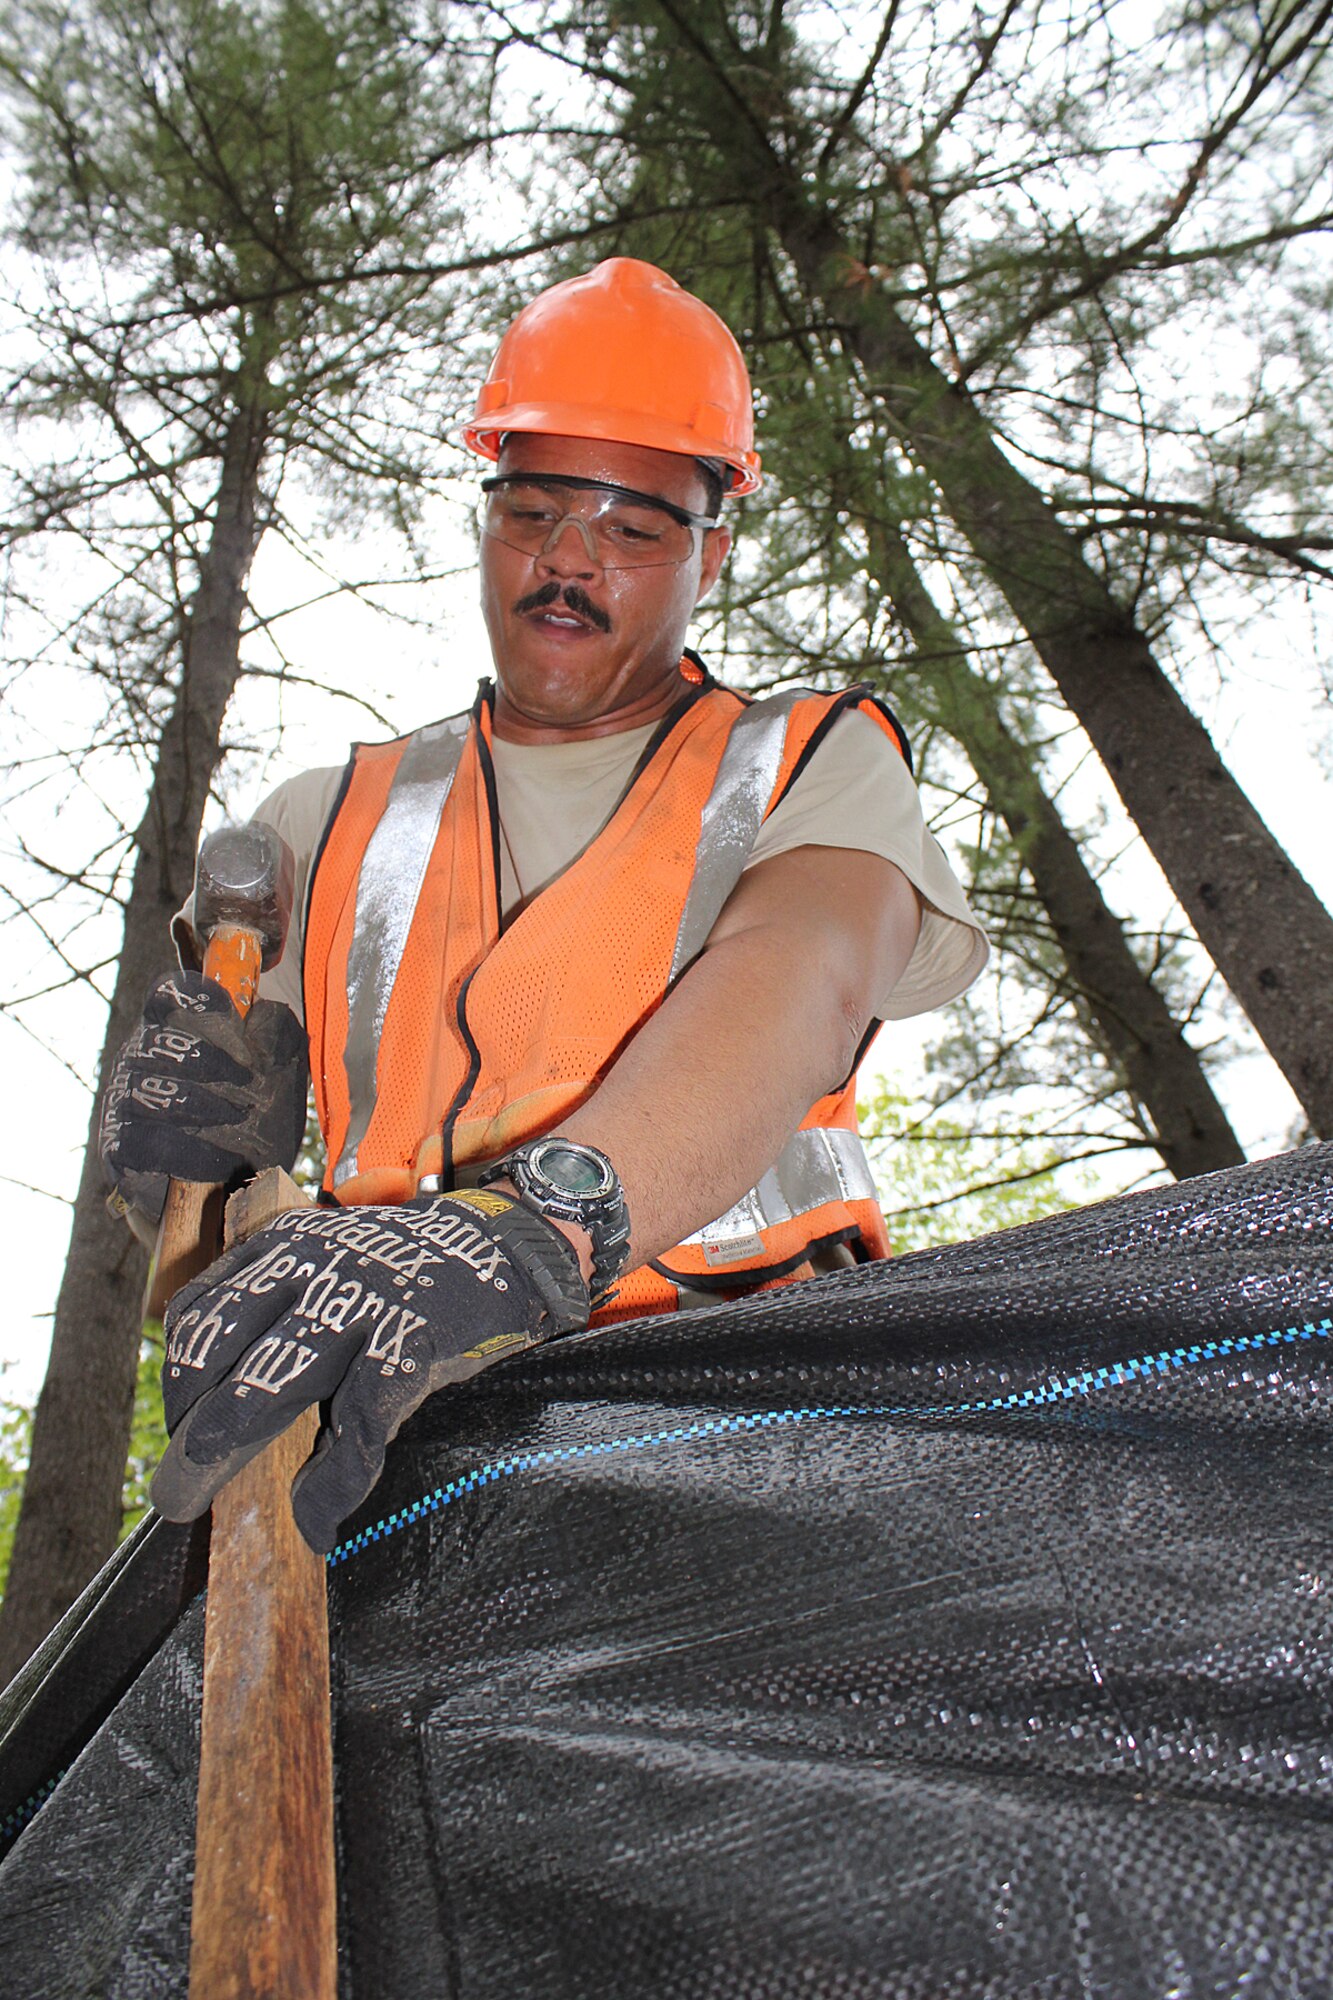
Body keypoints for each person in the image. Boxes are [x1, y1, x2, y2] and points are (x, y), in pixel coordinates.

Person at [100, 258, 988, 1551]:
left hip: (741, 1431)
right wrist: (186, 1164)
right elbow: (210, 1210)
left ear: (712, 553)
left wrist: (546, 1224)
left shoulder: (805, 762)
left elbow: (805, 974)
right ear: (485, 520)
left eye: (631, 529)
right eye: (531, 512)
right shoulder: (316, 821)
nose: (568, 562)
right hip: (379, 1468)